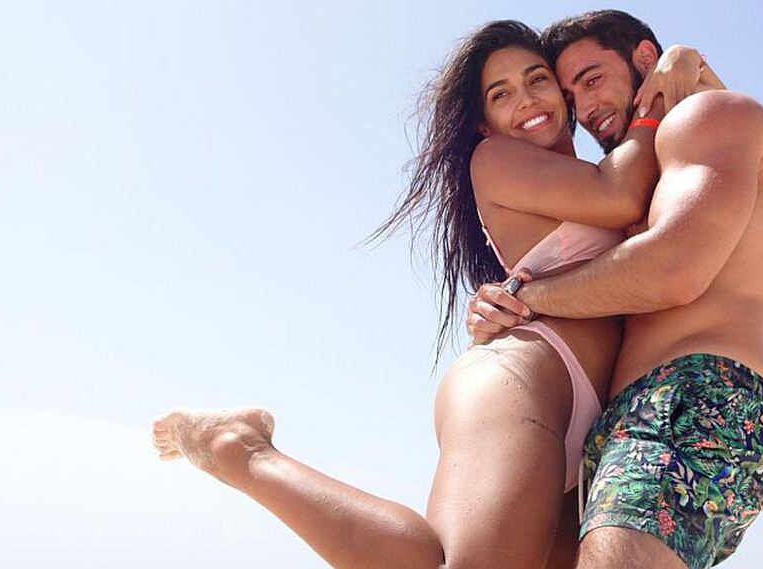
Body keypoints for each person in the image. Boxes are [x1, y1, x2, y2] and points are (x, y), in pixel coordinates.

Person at [152, 20, 719, 568]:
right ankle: (241, 451)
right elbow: (619, 196)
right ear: (483, 123)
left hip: (598, 417)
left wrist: (685, 60)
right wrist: (656, 96)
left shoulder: (604, 169)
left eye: (538, 80)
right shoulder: (496, 160)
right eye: (501, 94)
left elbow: (725, 151)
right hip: (526, 376)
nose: (526, 100)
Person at [466, 10, 763, 569]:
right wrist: (495, 300)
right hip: (631, 417)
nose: (585, 108)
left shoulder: (707, 116)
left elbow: (673, 270)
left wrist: (526, 298)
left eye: (593, 79)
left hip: (694, 394)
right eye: (572, 96)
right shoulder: (660, 163)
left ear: (645, 59)